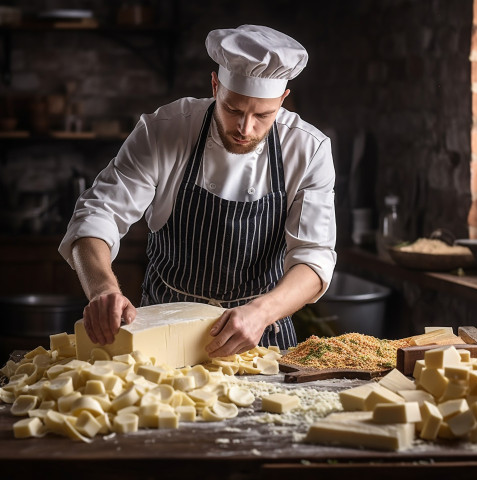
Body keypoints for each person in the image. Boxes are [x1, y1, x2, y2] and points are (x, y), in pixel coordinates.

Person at [59, 24, 337, 358]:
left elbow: (314, 258)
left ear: (283, 98)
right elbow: (97, 214)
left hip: (259, 335)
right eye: (233, 109)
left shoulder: (309, 150)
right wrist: (102, 289)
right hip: (161, 335)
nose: (245, 129)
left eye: (263, 115)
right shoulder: (165, 130)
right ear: (215, 85)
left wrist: (261, 312)